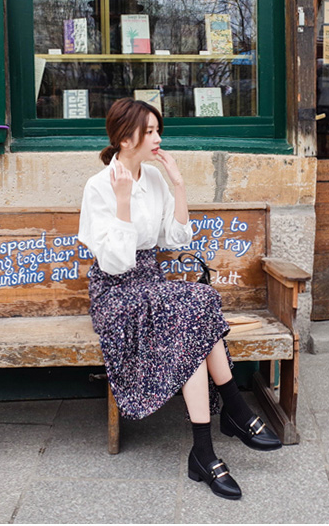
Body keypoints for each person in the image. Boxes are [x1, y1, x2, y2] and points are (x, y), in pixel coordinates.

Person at [77, 97, 281, 501]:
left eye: (158, 130)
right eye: (149, 131)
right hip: (115, 292)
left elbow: (174, 238)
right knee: (194, 307)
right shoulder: (99, 186)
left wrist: (178, 184)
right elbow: (116, 263)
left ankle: (205, 450)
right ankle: (233, 413)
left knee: (195, 308)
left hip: (151, 282)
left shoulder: (153, 179)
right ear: (125, 137)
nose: (158, 138)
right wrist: (122, 201)